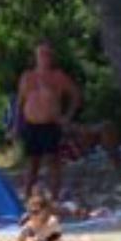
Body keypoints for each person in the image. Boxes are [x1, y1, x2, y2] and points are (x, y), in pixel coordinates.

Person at [14, 41, 82, 200]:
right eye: (41, 54)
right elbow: (20, 102)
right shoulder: (27, 77)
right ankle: (27, 197)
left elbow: (75, 95)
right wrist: (16, 125)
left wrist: (68, 116)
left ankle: (54, 197)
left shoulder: (58, 76)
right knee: (32, 164)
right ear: (36, 56)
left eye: (47, 54)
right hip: (31, 125)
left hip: (51, 124)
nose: (44, 57)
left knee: (53, 162)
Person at [11, 187, 97, 241]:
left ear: (44, 211)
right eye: (30, 212)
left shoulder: (52, 221)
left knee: (84, 239)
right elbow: (19, 240)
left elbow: (35, 240)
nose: (32, 215)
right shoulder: (30, 224)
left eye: (36, 212)